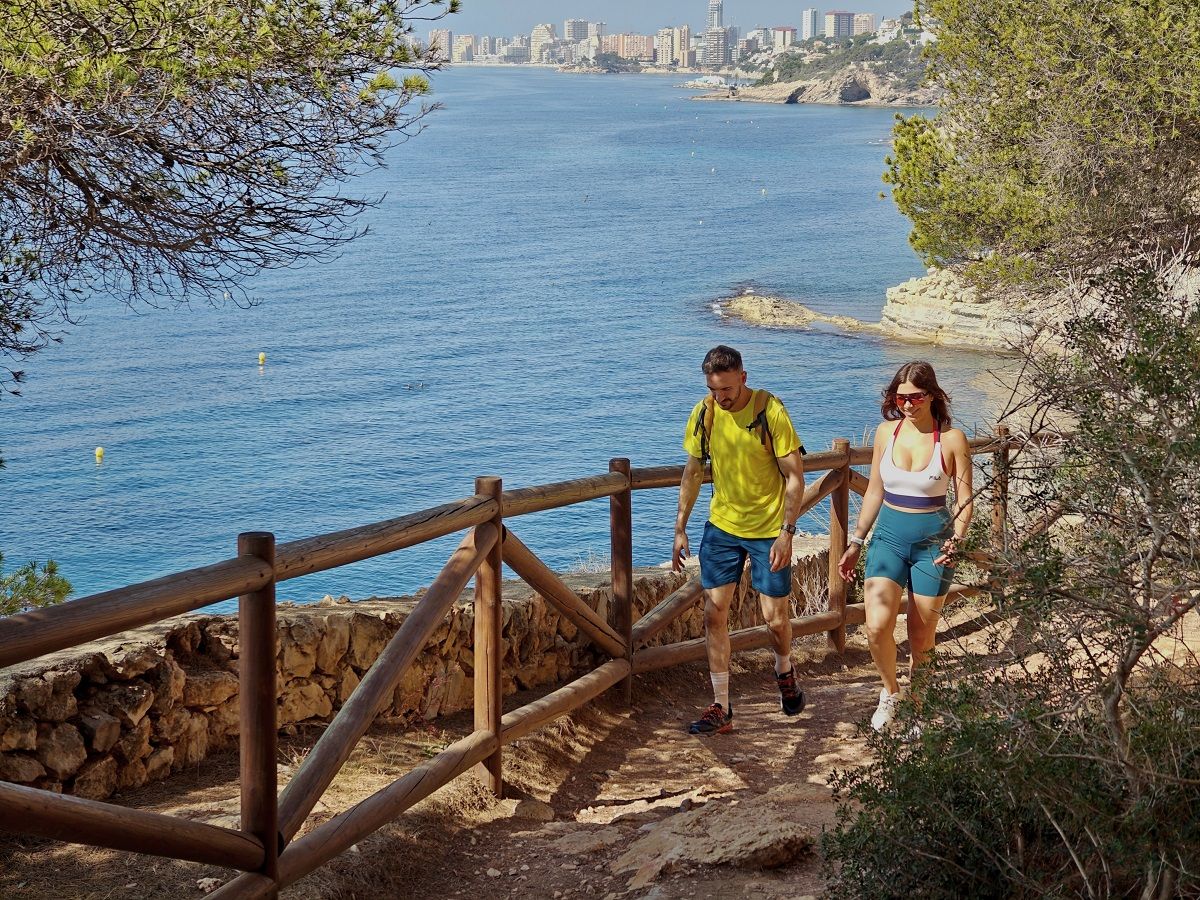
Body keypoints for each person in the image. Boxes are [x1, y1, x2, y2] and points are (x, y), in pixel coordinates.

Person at [672, 345, 807, 735]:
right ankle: (722, 707)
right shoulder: (704, 414)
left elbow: (795, 477)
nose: (722, 398)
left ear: (743, 378)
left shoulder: (770, 411)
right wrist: (680, 526)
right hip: (722, 528)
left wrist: (787, 532)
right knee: (714, 614)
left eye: (728, 389)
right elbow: (694, 471)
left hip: (768, 532)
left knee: (774, 620)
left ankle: (784, 670)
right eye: (715, 390)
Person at [837, 361, 973, 732]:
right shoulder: (886, 433)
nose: (908, 405)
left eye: (915, 397)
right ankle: (891, 692)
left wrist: (957, 541)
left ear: (932, 396)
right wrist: (855, 542)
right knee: (877, 626)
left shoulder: (952, 440)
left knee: (920, 637)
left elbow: (964, 499)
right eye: (901, 397)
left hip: (935, 546)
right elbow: (875, 492)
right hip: (888, 539)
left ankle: (919, 707)